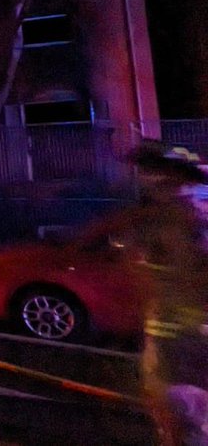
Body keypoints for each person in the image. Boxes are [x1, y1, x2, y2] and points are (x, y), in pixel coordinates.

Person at [106, 142, 208, 445]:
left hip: (174, 339)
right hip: (186, 333)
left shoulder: (160, 220)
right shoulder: (191, 213)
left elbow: (137, 268)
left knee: (173, 417)